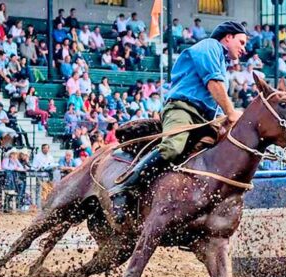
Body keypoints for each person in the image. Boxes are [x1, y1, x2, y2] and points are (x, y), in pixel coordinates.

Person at [106, 21, 248, 223]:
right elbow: (213, 83)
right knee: (173, 147)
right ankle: (124, 186)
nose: (244, 48)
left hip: (204, 117)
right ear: (228, 37)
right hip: (182, 108)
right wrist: (232, 113)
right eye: (241, 42)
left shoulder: (221, 59)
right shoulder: (210, 46)